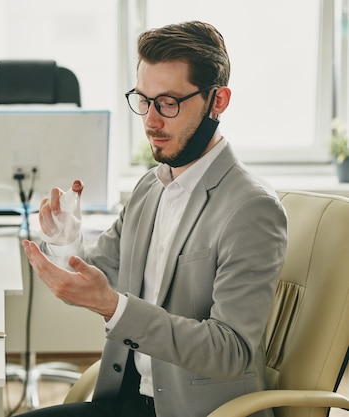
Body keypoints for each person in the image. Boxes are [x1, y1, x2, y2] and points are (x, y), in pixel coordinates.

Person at [19, 21, 288, 417]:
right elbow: (97, 280)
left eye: (168, 103)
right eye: (143, 100)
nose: (150, 120)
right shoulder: (151, 187)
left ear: (218, 101)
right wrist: (66, 241)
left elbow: (231, 352)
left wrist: (116, 309)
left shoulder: (251, 208)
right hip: (124, 399)